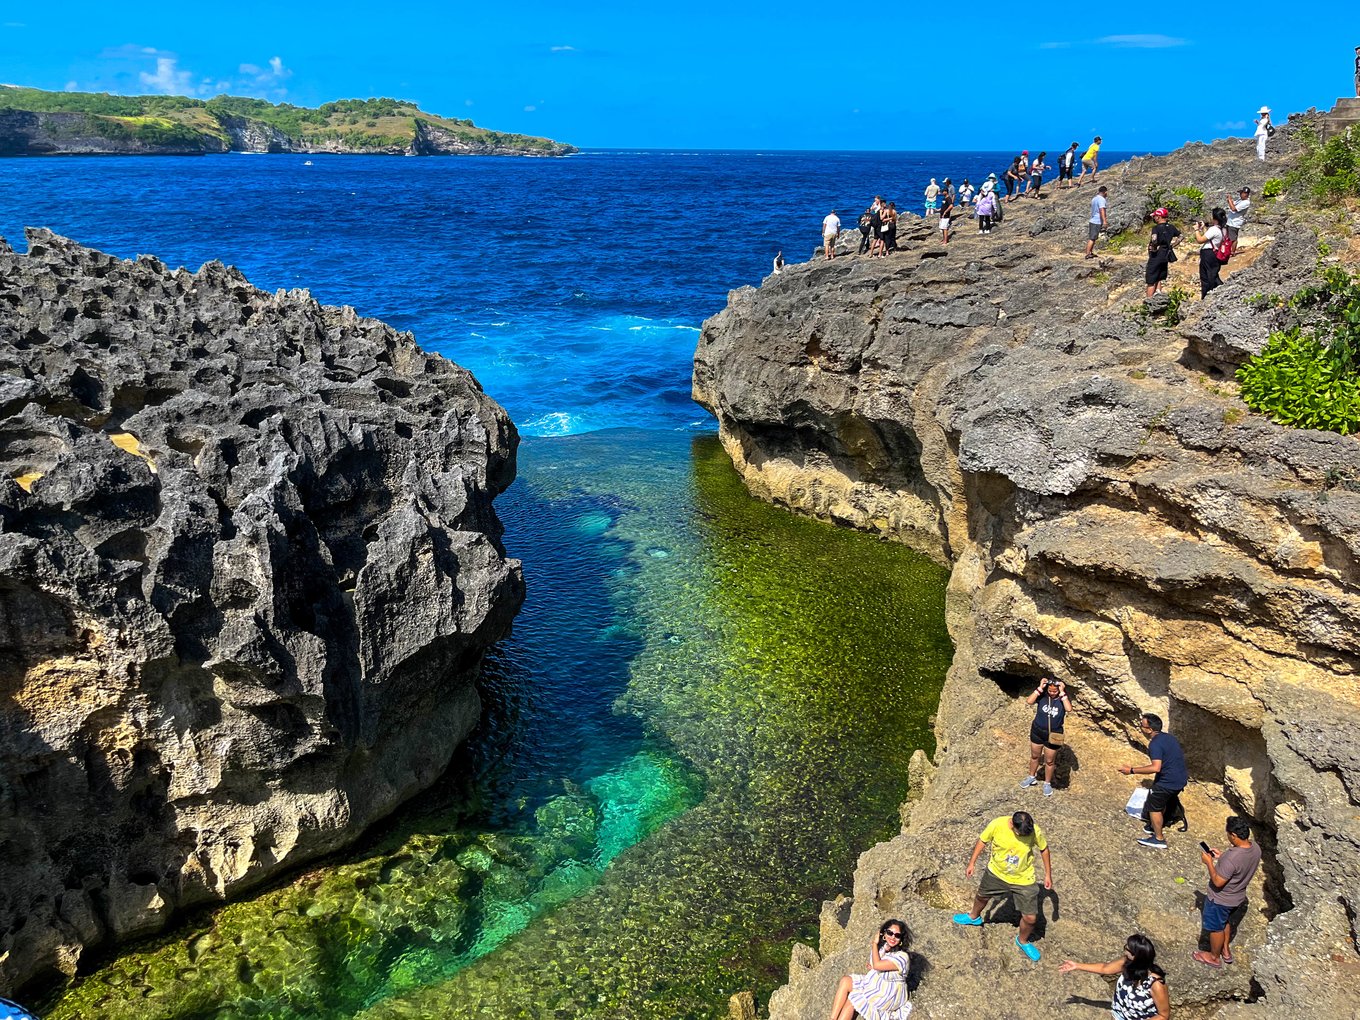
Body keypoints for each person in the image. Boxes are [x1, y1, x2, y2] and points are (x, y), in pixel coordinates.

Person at [952, 810, 1053, 962]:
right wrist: (972, 862)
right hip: (997, 873)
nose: (1023, 837)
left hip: (1023, 879)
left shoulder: (1033, 831)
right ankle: (974, 917)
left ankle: (1023, 940)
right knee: (982, 896)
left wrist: (1047, 874)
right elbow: (982, 841)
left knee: (1031, 918)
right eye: (1020, 834)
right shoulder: (997, 824)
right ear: (1012, 824)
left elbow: (1044, 849)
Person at [1194, 816, 1262, 968]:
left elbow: (1218, 882)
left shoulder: (1232, 859)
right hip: (1237, 897)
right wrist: (1221, 857)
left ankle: (1214, 957)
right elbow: (1239, 865)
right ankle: (1225, 951)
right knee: (1225, 921)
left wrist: (1209, 863)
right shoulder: (1255, 848)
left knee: (1215, 928)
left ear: (1234, 835)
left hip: (1220, 900)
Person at [1059, 934, 1170, 1020]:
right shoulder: (1127, 962)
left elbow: (1163, 1015)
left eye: (1127, 948)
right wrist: (1077, 965)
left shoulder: (1156, 984)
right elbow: (1105, 968)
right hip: (1118, 1015)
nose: (1125, 950)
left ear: (1136, 957)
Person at [1118, 713, 1188, 849]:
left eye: (1142, 726)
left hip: (1168, 782)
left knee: (1154, 806)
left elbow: (1156, 767)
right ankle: (1153, 826)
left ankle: (1158, 838)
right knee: (1161, 801)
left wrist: (1131, 770)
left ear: (1149, 729)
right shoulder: (1169, 738)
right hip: (1180, 779)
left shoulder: (1154, 744)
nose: (1140, 728)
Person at [827, 919, 912, 1020]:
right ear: (884, 933)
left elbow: (877, 965)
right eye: (890, 933)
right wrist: (875, 963)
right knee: (845, 981)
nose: (893, 937)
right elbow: (874, 963)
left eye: (897, 935)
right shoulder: (885, 948)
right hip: (878, 984)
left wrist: (874, 944)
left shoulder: (902, 957)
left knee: (854, 999)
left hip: (889, 994)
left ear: (901, 939)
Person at [1021, 677, 1070, 797]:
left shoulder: (1062, 699)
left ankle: (1047, 783)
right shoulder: (1043, 696)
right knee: (1034, 756)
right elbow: (1029, 701)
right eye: (1050, 690)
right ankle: (1031, 777)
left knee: (1049, 761)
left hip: (1054, 735)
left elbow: (1069, 709)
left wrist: (1062, 693)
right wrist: (1040, 687)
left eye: (1055, 691)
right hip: (1037, 731)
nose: (1052, 693)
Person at [1193, 208, 1230, 299]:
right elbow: (1210, 237)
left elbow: (1200, 240)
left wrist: (1196, 230)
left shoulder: (1214, 229)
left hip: (1208, 254)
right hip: (1214, 254)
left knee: (1206, 277)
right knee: (1213, 275)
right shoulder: (1223, 229)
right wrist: (1204, 228)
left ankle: (1207, 296)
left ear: (1215, 218)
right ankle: (1218, 292)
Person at [1145, 207, 1181, 298]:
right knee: (1159, 277)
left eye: (1155, 216)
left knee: (1151, 280)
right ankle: (1158, 296)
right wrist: (1173, 245)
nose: (1154, 218)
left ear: (1159, 217)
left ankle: (1149, 302)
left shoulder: (1156, 228)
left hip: (1156, 255)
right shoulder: (1171, 227)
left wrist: (1152, 247)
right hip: (1166, 255)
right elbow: (1181, 236)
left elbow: (1154, 240)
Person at [1084, 185, 1108, 259]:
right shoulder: (1101, 199)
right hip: (1096, 221)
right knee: (1092, 238)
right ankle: (1088, 254)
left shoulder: (1095, 198)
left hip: (1093, 220)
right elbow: (1102, 210)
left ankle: (1090, 252)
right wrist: (1104, 221)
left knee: (1093, 238)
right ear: (1105, 192)